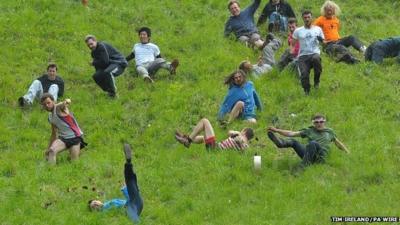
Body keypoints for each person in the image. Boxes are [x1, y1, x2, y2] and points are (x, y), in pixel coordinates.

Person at [267, 114, 349, 166]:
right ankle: (280, 143)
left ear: (324, 122)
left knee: (313, 143)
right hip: (308, 154)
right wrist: (277, 130)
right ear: (313, 123)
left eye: (321, 122)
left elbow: (338, 143)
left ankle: (302, 166)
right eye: (316, 122)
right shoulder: (309, 130)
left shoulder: (329, 131)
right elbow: (292, 133)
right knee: (294, 142)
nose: (319, 124)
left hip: (320, 158)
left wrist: (347, 152)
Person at [89, 143, 143, 222]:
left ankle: (128, 163)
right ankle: (128, 167)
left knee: (130, 182)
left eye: (94, 203)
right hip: (130, 208)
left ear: (98, 200)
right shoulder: (104, 213)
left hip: (133, 204)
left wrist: (126, 189)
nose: (95, 205)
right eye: (93, 207)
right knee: (131, 184)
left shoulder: (109, 203)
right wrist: (125, 190)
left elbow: (125, 202)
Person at [40, 93, 86, 164]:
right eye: (44, 104)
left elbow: (63, 104)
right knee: (52, 151)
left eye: (48, 103)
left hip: (75, 138)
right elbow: (54, 134)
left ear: (53, 101)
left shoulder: (58, 108)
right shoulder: (50, 117)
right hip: (63, 139)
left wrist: (67, 101)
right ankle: (50, 172)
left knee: (74, 163)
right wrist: (48, 148)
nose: (47, 105)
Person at [292, 10, 324, 95]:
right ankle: (307, 91)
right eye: (305, 17)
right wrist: (292, 52)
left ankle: (316, 82)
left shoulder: (318, 29)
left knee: (316, 58)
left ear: (312, 18)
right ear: (302, 18)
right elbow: (293, 44)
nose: (307, 19)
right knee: (304, 75)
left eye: (308, 17)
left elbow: (323, 43)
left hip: (314, 53)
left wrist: (321, 41)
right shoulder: (298, 31)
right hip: (303, 56)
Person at [175, 118, 254, 151]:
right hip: (216, 149)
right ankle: (185, 138)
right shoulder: (246, 147)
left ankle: (187, 141)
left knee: (205, 121)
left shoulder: (240, 136)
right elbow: (230, 133)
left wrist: (238, 133)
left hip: (215, 149)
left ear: (244, 132)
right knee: (203, 138)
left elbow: (230, 132)